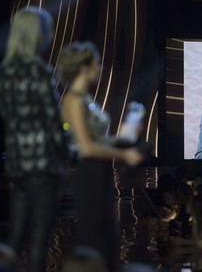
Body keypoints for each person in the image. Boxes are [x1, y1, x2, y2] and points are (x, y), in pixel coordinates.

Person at [57, 41, 144, 271]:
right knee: (94, 233)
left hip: (99, 171)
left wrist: (125, 133)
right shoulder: (73, 100)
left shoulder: (85, 99)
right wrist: (125, 154)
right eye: (96, 63)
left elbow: (96, 141)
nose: (101, 68)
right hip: (88, 172)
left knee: (108, 234)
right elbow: (85, 147)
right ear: (84, 67)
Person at [0, 7, 69, 272]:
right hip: (44, 164)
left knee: (15, 234)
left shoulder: (0, 75)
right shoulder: (39, 71)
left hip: (17, 163)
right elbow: (54, 122)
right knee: (39, 238)